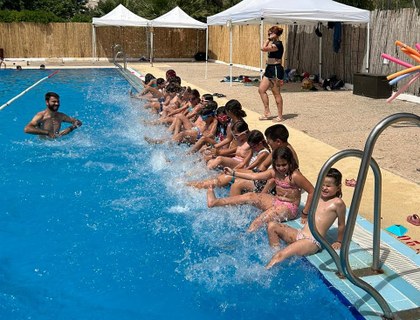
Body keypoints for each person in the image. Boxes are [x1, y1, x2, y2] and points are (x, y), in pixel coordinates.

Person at [207, 147, 314, 232]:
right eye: (278, 165)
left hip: (289, 207)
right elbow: (255, 176)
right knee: (250, 196)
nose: (281, 168)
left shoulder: (295, 175)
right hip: (277, 201)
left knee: (258, 221)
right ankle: (215, 202)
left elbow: (311, 191)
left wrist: (305, 213)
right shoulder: (274, 172)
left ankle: (243, 237)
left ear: (290, 162)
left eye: (284, 165)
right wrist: (233, 173)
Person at [265, 168, 346, 269]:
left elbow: (341, 224)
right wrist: (304, 215)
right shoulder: (318, 196)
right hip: (301, 233)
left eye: (328, 186)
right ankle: (276, 255)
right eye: (323, 184)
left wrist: (339, 241)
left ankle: (269, 267)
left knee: (281, 255)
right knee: (272, 226)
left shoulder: (338, 203)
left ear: (338, 187)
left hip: (312, 241)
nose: (324, 188)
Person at [258, 26, 285, 122]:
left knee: (276, 93)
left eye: (270, 33)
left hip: (276, 69)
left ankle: (280, 116)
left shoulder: (278, 44)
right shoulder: (273, 43)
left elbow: (263, 48)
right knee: (261, 90)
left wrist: (268, 39)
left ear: (276, 34)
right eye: (268, 34)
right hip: (269, 68)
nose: (269, 35)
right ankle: (267, 112)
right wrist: (270, 39)